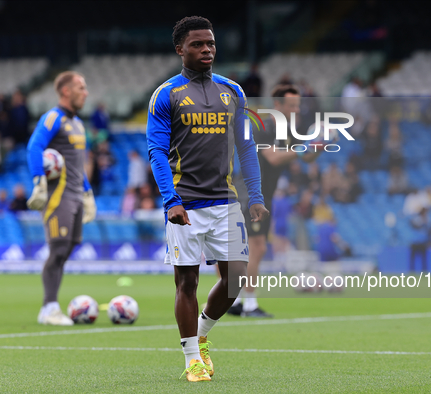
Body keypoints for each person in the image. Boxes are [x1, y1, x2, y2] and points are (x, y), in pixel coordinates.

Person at [146, 16, 267, 382]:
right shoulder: (166, 94)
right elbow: (156, 151)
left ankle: (201, 335)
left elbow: (246, 147)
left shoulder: (233, 92)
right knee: (187, 283)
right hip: (184, 204)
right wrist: (171, 201)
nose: (207, 50)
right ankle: (191, 360)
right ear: (180, 49)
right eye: (198, 44)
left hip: (225, 201)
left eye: (211, 44)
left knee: (235, 280)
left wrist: (255, 195)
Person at [230, 84, 321, 318]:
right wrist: (304, 148)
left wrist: (319, 146)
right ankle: (248, 304)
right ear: (277, 105)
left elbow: (307, 157)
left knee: (244, 250)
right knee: (257, 247)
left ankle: (236, 301)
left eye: (298, 106)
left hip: (261, 193)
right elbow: (272, 156)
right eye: (291, 106)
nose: (296, 110)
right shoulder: (265, 125)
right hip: (251, 192)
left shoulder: (285, 130)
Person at [26, 71, 97, 325]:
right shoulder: (53, 117)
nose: (85, 92)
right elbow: (34, 146)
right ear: (66, 91)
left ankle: (51, 304)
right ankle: (49, 308)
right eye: (81, 87)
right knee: (57, 250)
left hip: (77, 195)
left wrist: (87, 192)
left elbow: (77, 165)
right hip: (58, 197)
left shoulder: (77, 124)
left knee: (69, 247)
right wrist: (38, 180)